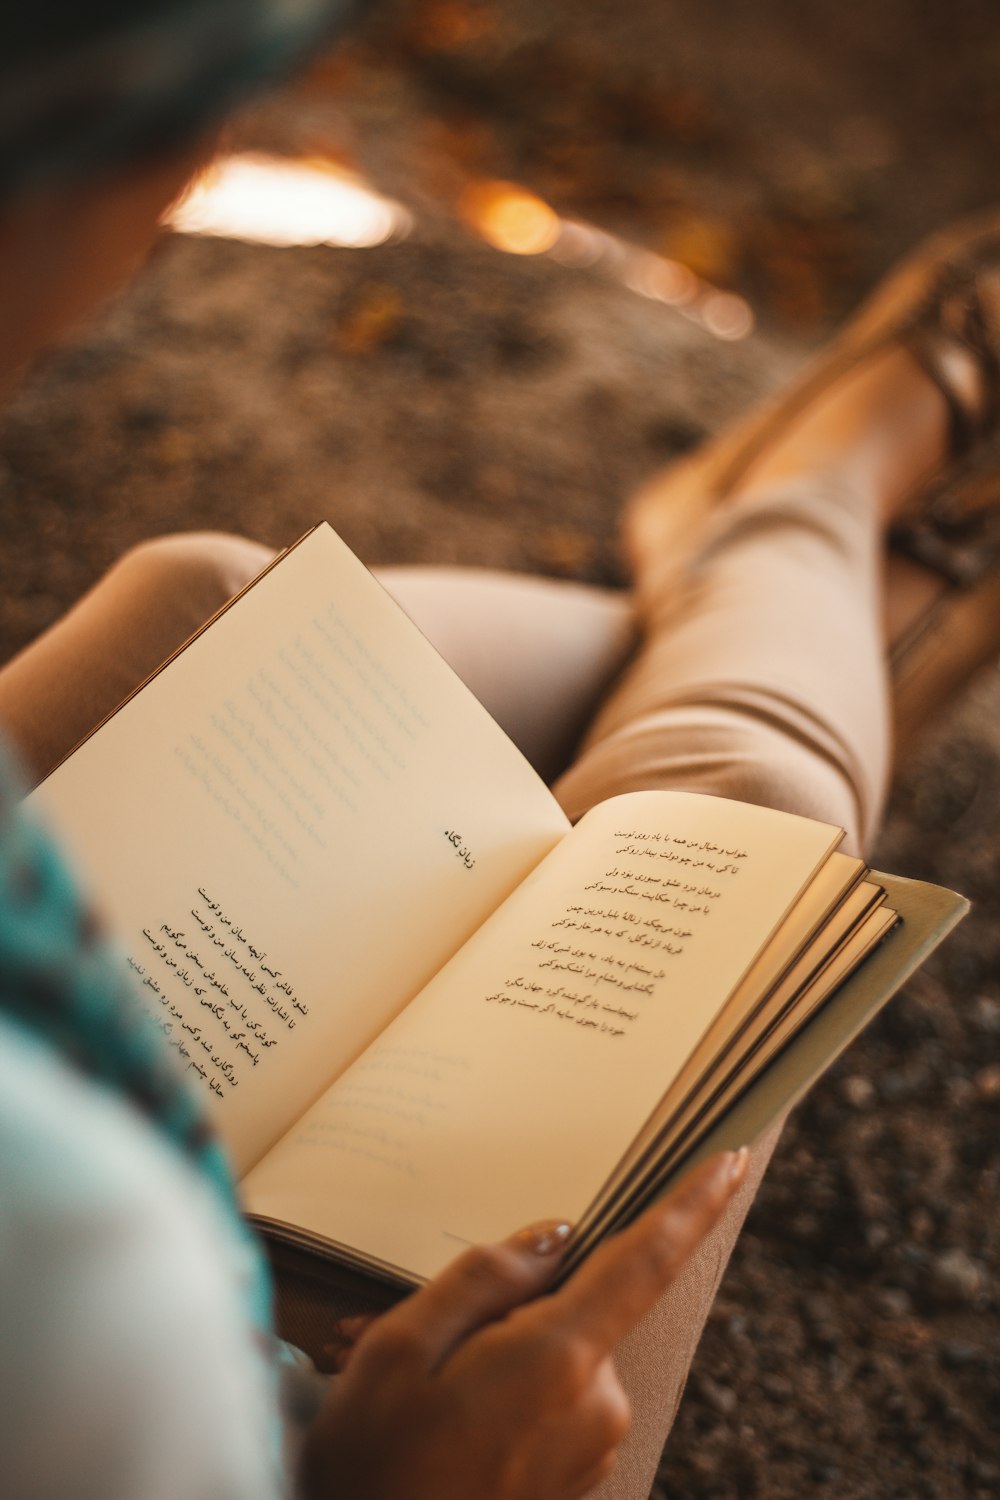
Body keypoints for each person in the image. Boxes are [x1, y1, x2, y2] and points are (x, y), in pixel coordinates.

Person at [2, 4, 1000, 1498]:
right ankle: (806, 525)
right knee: (752, 816)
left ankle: (791, 573)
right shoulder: (95, 1290)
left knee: (206, 599)